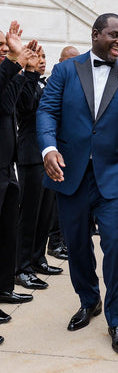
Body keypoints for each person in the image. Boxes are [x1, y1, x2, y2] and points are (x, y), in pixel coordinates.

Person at [37, 13, 118, 356]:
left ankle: (116, 318)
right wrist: (48, 147)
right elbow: (47, 111)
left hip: (116, 177)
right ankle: (89, 301)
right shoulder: (65, 70)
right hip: (69, 172)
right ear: (95, 34)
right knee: (75, 244)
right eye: (113, 35)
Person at [0, 22, 38, 342]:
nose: (5, 48)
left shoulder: (8, 72)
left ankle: (2, 290)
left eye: (6, 44)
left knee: (6, 235)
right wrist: (14, 62)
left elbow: (16, 104)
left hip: (6, 168)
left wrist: (25, 70)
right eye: (0, 45)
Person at [15, 45, 63, 290]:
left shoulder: (45, 84)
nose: (41, 61)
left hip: (49, 158)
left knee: (45, 213)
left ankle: (37, 259)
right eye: (36, 57)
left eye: (43, 57)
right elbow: (25, 108)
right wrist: (29, 72)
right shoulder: (23, 83)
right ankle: (21, 268)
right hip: (31, 156)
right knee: (29, 215)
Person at [47, 45, 80, 261]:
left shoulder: (80, 84)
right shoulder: (53, 83)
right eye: (69, 60)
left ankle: (66, 241)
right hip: (54, 151)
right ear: (60, 62)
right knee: (53, 204)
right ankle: (55, 242)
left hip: (74, 150)